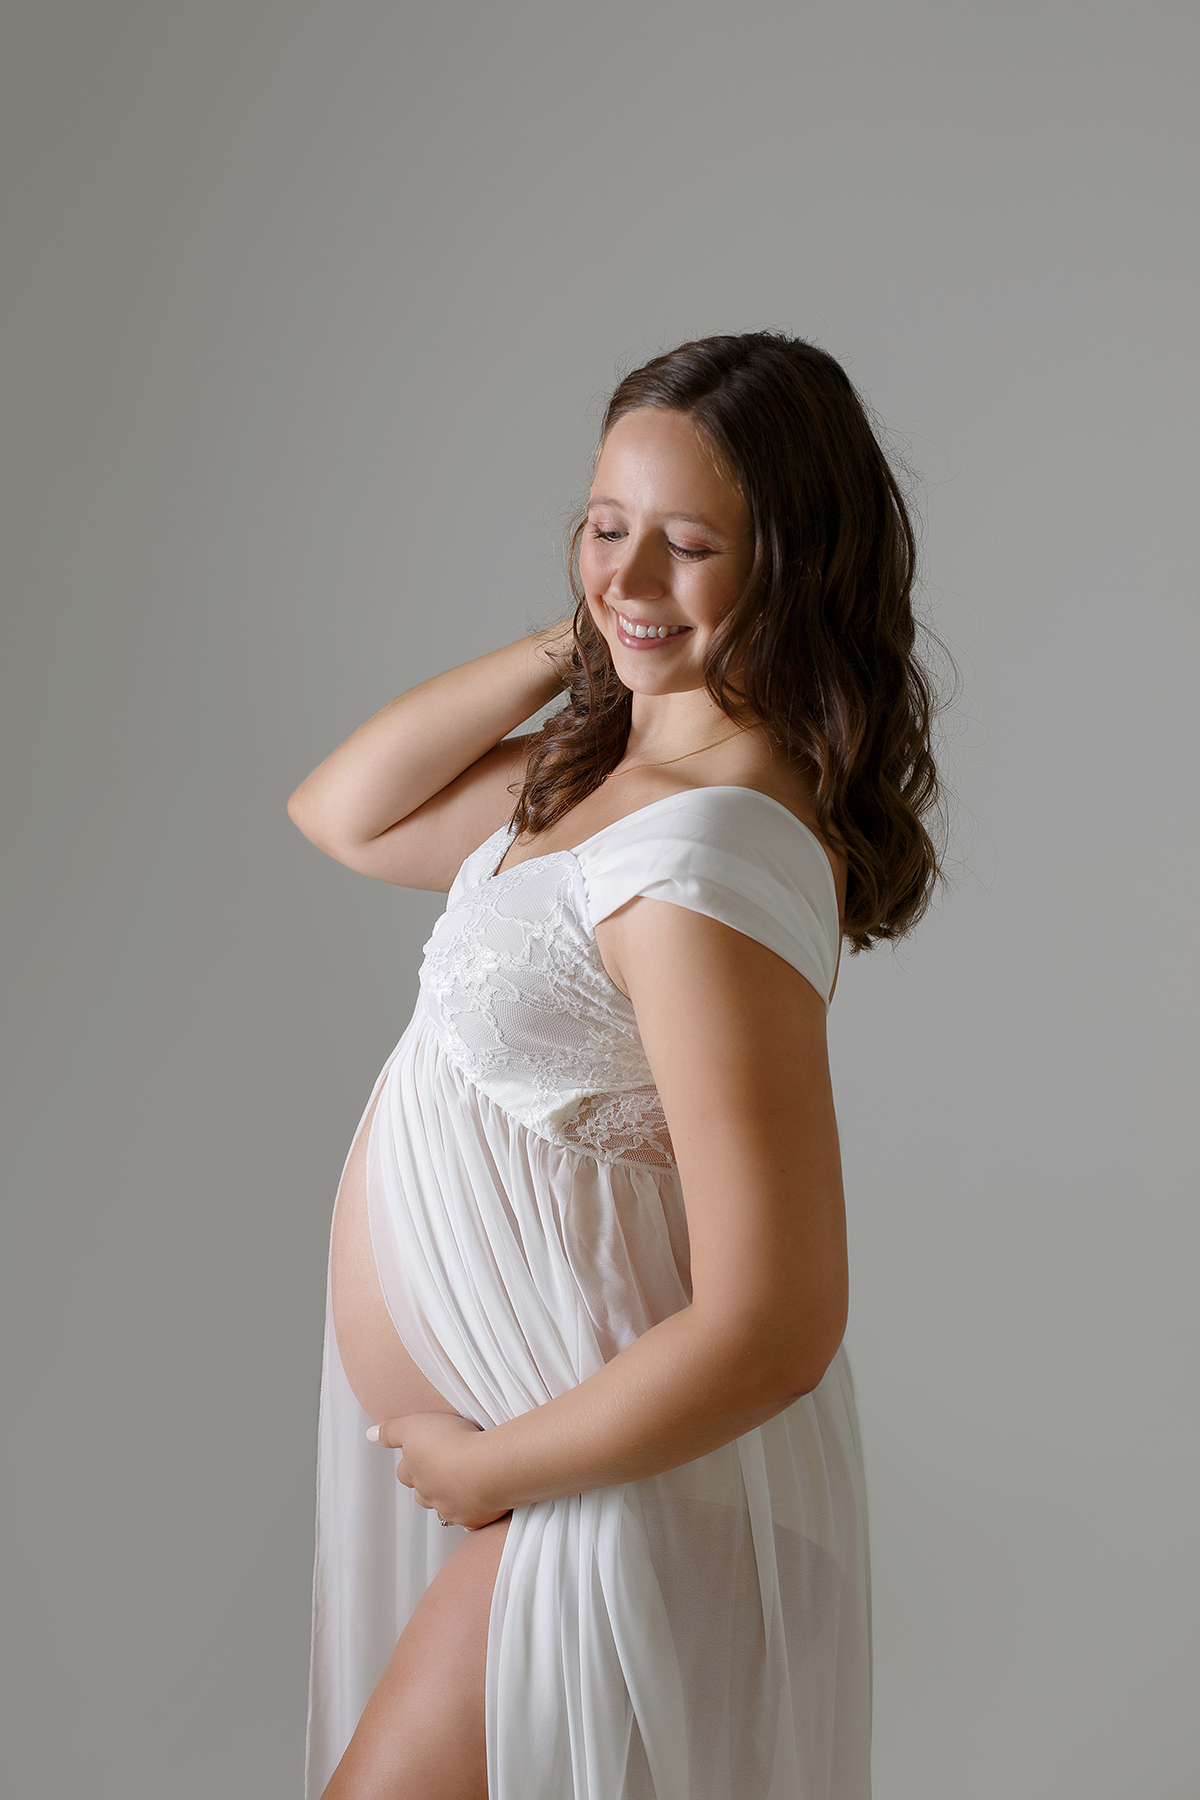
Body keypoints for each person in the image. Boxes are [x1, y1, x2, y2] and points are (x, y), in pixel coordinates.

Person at [288, 331, 942, 1800]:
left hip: (602, 1501)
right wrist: (596, 633)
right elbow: (343, 808)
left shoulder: (705, 852)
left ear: (796, 567)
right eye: (605, 525)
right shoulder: (596, 782)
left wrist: (491, 1471)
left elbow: (778, 1318)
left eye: (689, 547)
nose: (633, 578)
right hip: (553, 1503)